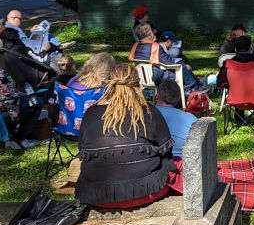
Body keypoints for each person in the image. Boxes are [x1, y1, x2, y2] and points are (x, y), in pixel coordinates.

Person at [75, 64, 178, 209]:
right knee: (178, 167)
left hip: (97, 196)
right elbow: (166, 151)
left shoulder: (91, 113)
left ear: (109, 85)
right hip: (147, 191)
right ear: (137, 85)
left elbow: (82, 150)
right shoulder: (149, 111)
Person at [154, 80, 196, 161]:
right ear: (177, 100)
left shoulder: (145, 115)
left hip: (155, 164)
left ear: (157, 96)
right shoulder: (191, 119)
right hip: (185, 164)